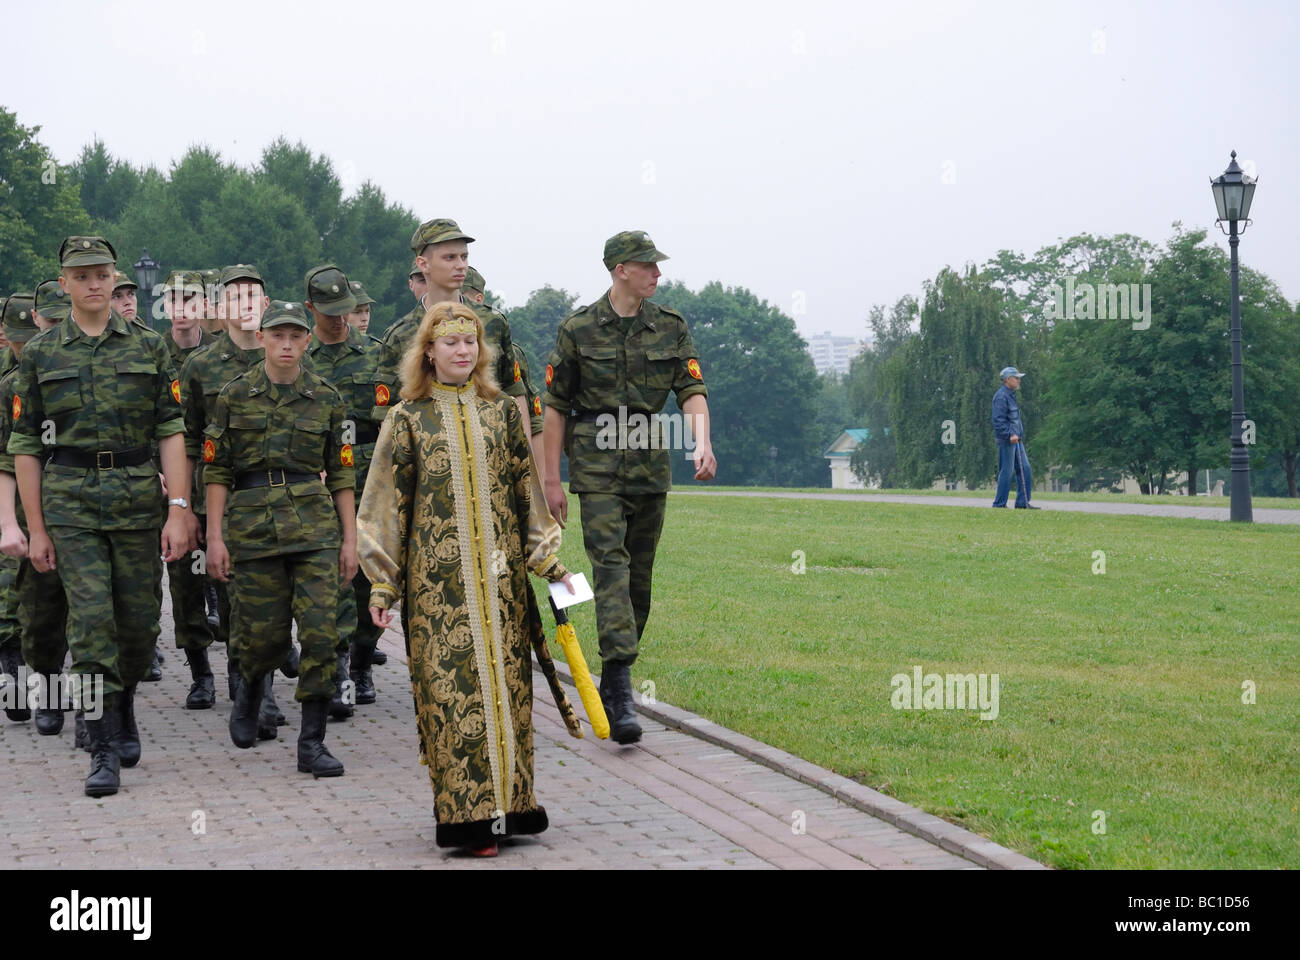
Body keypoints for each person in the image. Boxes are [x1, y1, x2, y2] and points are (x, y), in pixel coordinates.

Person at [358, 301, 573, 856]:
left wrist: (547, 559)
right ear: (428, 351)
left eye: (470, 343)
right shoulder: (407, 419)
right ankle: (469, 821)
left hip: (502, 589)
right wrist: (383, 584)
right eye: (450, 342)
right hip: (437, 592)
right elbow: (385, 505)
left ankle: (514, 805)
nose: (462, 351)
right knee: (453, 697)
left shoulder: (502, 414)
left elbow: (526, 493)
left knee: (508, 692)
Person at [8, 236, 195, 798]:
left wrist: (179, 509)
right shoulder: (41, 354)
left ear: (115, 280)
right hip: (71, 505)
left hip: (138, 500)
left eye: (102, 274)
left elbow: (170, 428)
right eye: (81, 275)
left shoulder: (148, 347)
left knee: (137, 627)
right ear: (64, 284)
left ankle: (125, 703)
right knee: (90, 629)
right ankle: (102, 741)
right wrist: (35, 526)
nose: (94, 283)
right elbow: (24, 443)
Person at [541, 230, 716, 744]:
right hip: (594, 465)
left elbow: (691, 389)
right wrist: (552, 478)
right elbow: (555, 406)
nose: (658, 275)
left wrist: (701, 442)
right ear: (622, 270)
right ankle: (618, 688)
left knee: (639, 579)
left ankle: (617, 668)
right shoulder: (576, 329)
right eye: (649, 267)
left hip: (648, 464)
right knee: (610, 570)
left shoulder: (671, 326)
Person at [204, 300, 356, 777]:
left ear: (306, 341)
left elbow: (343, 474)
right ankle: (250, 688)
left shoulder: (327, 398)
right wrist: (214, 537)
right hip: (253, 528)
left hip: (314, 527)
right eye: (278, 336)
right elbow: (217, 469)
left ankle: (312, 742)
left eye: (295, 336)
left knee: (320, 635)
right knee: (263, 635)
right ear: (264, 339)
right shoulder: (234, 395)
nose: (286, 344)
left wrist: (350, 540)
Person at [304, 265, 394, 713]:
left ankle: (362, 659)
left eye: (345, 311)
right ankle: (337, 664)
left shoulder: (376, 357)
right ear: (310, 310)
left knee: (367, 577)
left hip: (370, 479)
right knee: (329, 575)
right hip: (319, 480)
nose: (339, 320)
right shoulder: (300, 358)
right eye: (329, 312)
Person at [378, 220, 529, 426]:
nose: (461, 265)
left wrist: (525, 455)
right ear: (423, 264)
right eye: (450, 257)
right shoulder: (400, 335)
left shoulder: (492, 322)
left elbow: (515, 394)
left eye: (464, 257)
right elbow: (387, 418)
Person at [0, 292, 70, 734]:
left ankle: (94, 712)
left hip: (92, 504)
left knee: (91, 609)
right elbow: (8, 454)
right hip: (31, 504)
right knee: (32, 607)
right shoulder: (14, 384)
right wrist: (9, 519)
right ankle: (32, 682)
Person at [991, 366, 1038, 509]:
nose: (1019, 381)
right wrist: (1010, 434)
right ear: (1008, 379)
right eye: (1016, 378)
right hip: (1008, 440)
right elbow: (997, 421)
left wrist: (1017, 434)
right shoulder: (1001, 396)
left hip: (1017, 439)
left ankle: (1023, 502)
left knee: (1025, 468)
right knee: (1007, 471)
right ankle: (999, 504)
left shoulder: (1010, 395)